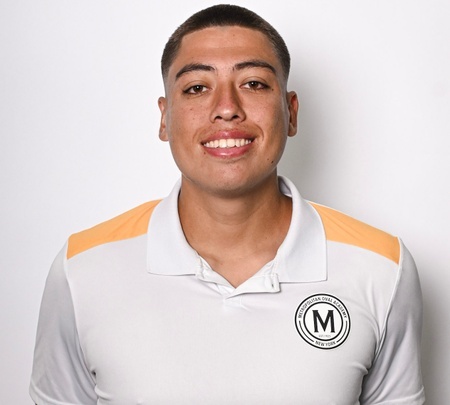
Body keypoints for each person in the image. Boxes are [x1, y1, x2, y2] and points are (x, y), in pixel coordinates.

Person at [30, 4, 425, 404]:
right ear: (165, 119)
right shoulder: (83, 268)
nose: (226, 108)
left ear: (290, 113)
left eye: (253, 83)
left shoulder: (380, 268)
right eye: (196, 88)